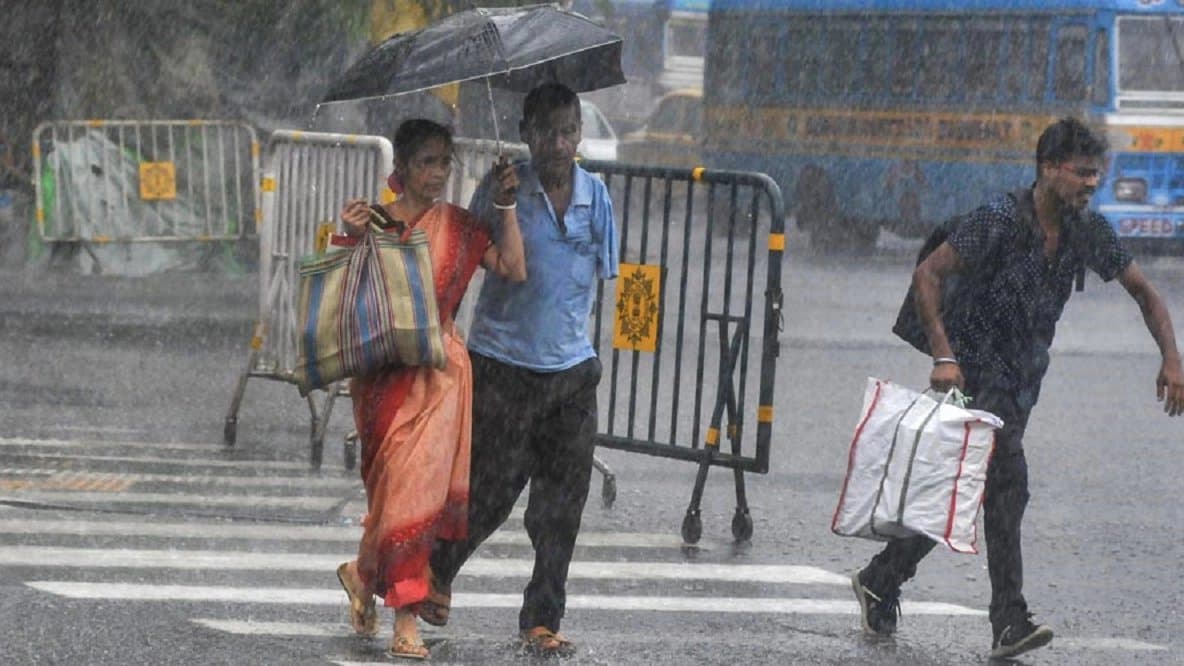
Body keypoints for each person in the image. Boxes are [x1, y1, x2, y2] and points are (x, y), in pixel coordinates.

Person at [850, 116, 1184, 659]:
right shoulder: (1000, 219)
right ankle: (1008, 620)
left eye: (1096, 176)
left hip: (1023, 379)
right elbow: (928, 276)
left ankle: (882, 578)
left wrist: (1172, 358)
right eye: (1081, 174)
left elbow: (1145, 292)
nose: (1090, 185)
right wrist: (944, 355)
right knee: (1007, 484)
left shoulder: (1086, 230)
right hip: (975, 372)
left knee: (969, 488)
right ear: (1049, 168)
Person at [423, 82, 619, 657]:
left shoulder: (596, 197)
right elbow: (469, 261)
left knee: (562, 506)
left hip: (571, 373)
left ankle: (542, 616)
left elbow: (599, 275)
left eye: (568, 130)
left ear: (579, 134)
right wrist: (501, 202)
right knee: (490, 491)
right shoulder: (502, 188)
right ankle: (436, 573)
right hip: (503, 365)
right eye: (546, 131)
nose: (558, 143)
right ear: (527, 134)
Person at [333, 118, 526, 660]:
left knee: (414, 498)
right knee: (392, 496)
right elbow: (346, 299)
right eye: (426, 162)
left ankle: (406, 618)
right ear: (401, 168)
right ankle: (360, 571)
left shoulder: (462, 228)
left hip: (439, 376)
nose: (438, 172)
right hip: (381, 381)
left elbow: (512, 267)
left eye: (445, 162)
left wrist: (506, 206)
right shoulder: (375, 222)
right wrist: (349, 236)